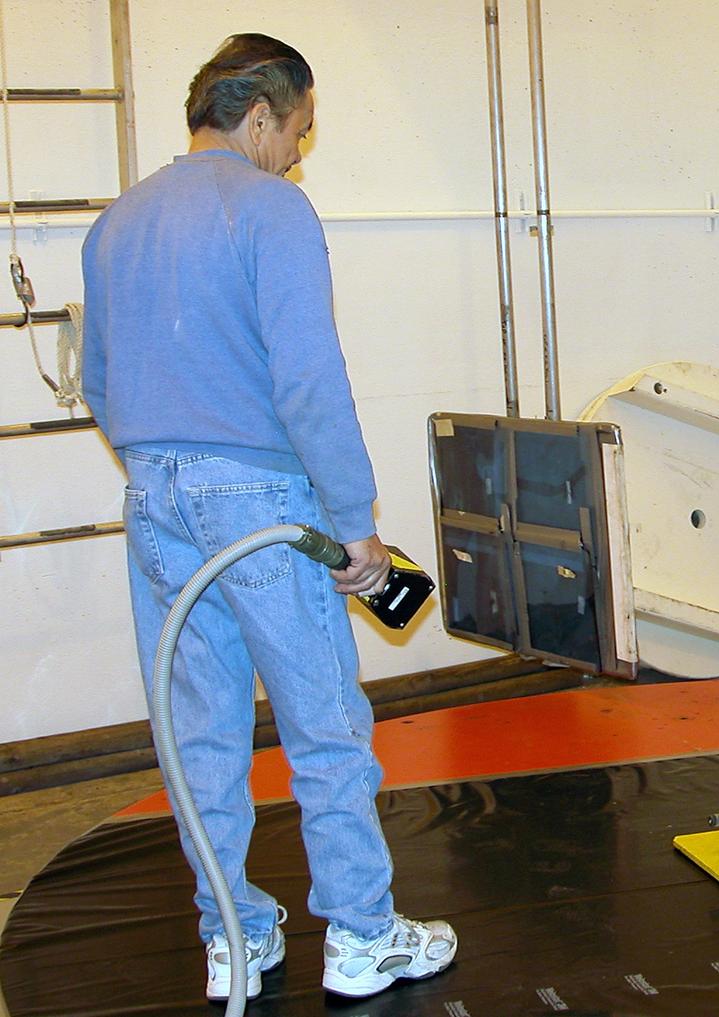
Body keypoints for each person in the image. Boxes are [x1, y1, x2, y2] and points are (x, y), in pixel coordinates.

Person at [80, 34, 457, 1001]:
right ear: (258, 119)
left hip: (152, 499)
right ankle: (365, 935)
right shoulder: (275, 210)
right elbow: (308, 380)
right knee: (324, 720)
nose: (297, 150)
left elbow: (99, 382)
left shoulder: (116, 222)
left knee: (199, 728)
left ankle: (235, 937)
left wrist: (168, 464)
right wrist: (355, 521)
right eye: (297, 130)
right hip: (258, 501)